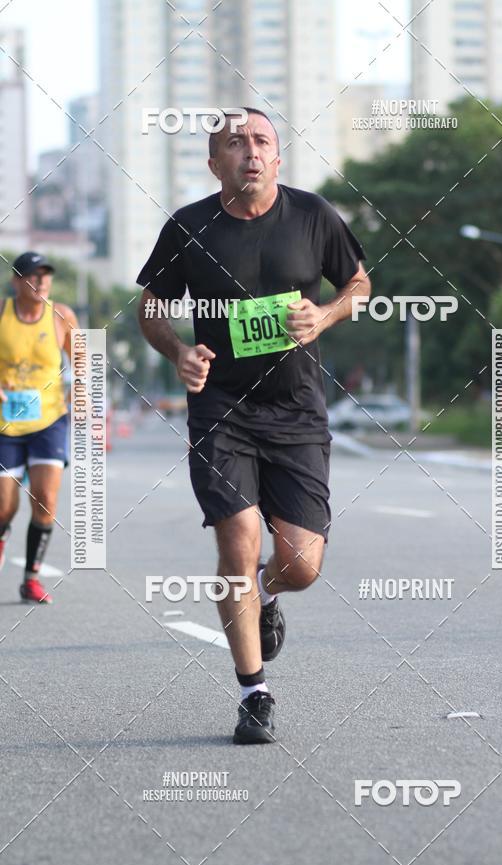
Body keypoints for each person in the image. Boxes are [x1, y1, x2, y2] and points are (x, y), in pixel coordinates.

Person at [137, 107, 371, 744]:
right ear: (215, 164)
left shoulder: (313, 215)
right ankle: (254, 692)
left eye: (262, 141)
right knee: (237, 537)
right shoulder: (188, 227)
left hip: (295, 410)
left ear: (278, 156)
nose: (251, 152)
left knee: (300, 565)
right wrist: (177, 350)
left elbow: (357, 283)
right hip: (222, 408)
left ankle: (267, 594)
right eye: (235, 144)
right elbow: (152, 305)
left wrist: (324, 318)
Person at [0, 252, 78, 603]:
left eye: (46, 275)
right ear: (17, 281)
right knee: (4, 506)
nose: (42, 282)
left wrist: (81, 391)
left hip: (49, 420)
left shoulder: (61, 315)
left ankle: (31, 578)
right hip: (5, 423)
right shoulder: (2, 313)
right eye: (33, 276)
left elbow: (85, 355)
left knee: (45, 500)